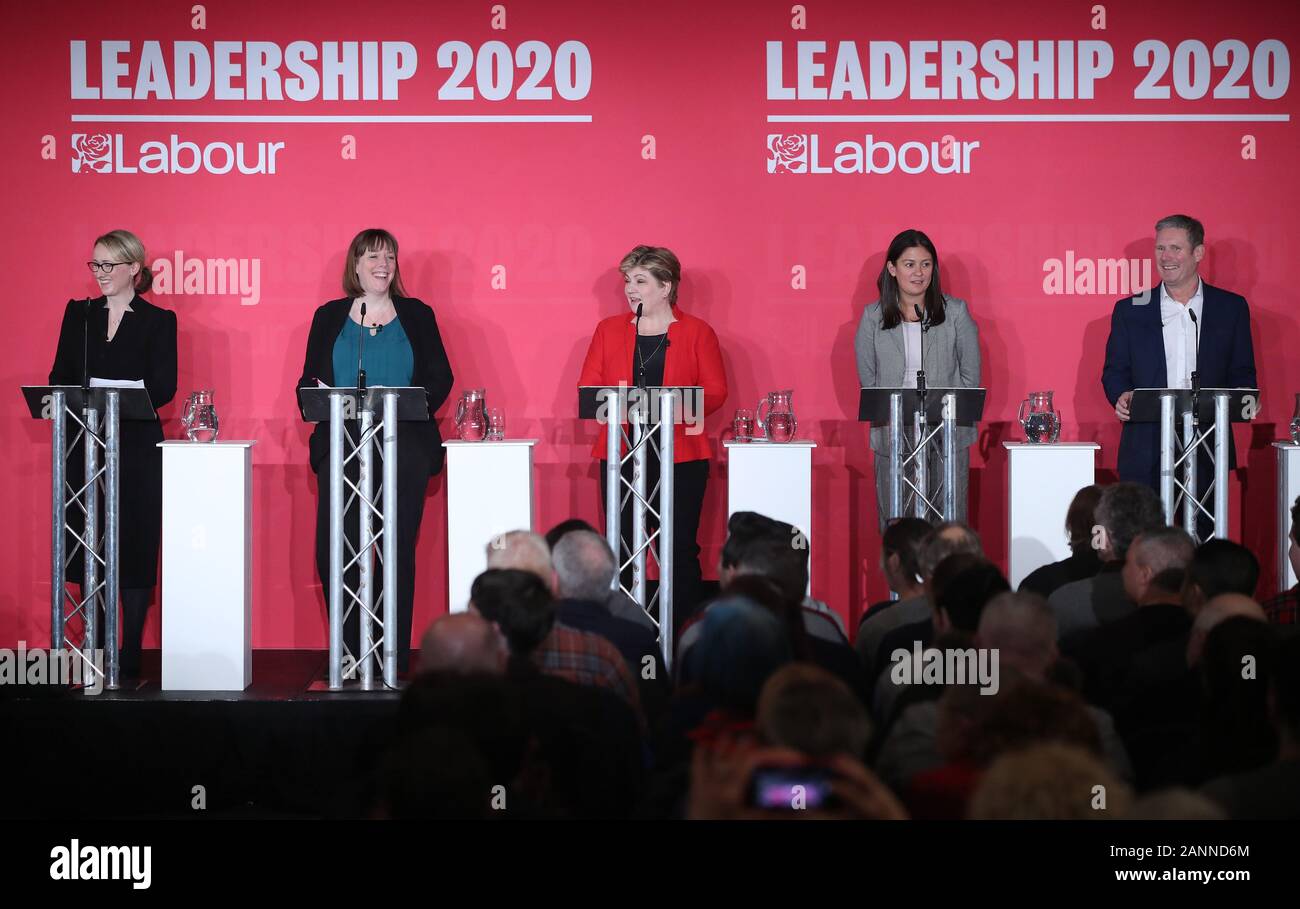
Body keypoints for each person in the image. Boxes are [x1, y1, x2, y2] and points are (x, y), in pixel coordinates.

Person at [297, 228, 454, 677]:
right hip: (342, 443)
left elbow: (441, 377)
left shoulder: (417, 314)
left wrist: (409, 404)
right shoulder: (329, 316)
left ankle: (390, 657)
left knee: (393, 550)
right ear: (356, 264)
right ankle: (348, 653)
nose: (382, 264)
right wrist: (318, 394)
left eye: (389, 256)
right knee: (337, 548)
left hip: (403, 443)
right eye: (372, 256)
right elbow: (308, 381)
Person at [49, 229, 178, 679]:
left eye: (108, 265)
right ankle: (94, 639)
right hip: (84, 444)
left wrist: (117, 395)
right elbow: (59, 375)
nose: (100, 274)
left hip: (138, 445)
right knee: (88, 538)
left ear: (133, 270)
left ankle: (131, 646)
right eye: (95, 265)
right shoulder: (79, 315)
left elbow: (163, 387)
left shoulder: (159, 321)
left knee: (136, 541)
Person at [578, 245, 728, 630]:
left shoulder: (697, 332)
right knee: (622, 546)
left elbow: (714, 392)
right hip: (621, 453)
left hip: (680, 456)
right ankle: (628, 634)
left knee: (677, 549)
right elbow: (590, 388)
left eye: (640, 281)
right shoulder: (608, 331)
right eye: (628, 281)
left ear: (666, 287)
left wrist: (666, 406)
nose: (631, 289)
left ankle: (680, 638)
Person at [1102, 214, 1257, 498]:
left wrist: (1245, 399)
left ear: (1198, 252)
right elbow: (1114, 371)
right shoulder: (1131, 309)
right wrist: (1121, 395)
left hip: (1209, 444)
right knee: (1145, 537)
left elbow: (1243, 373)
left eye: (1175, 248)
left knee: (1201, 536)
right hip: (1146, 445)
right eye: (1160, 248)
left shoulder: (1231, 308)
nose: (1166, 257)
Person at [855, 229, 981, 527]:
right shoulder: (872, 318)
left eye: (926, 264)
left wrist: (947, 416)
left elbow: (970, 377)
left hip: (946, 433)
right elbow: (869, 383)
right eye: (909, 264)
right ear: (892, 268)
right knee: (898, 524)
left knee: (947, 524)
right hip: (895, 432)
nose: (919, 273)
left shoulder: (956, 313)